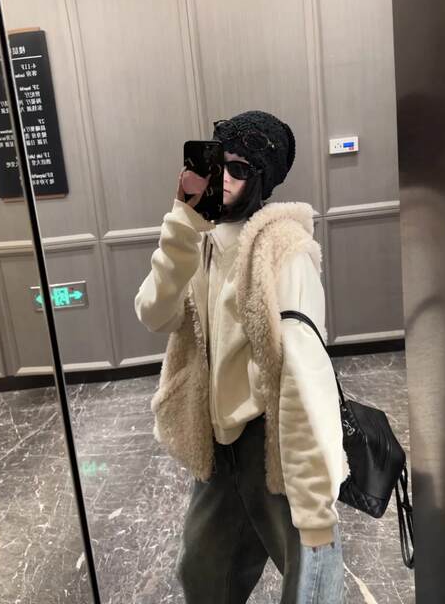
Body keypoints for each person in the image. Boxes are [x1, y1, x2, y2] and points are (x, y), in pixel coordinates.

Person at [134, 110, 349, 603]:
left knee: (309, 581)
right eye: (218, 164)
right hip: (216, 444)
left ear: (262, 180)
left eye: (239, 169)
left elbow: (305, 374)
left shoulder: (285, 250)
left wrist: (315, 501)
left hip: (271, 444)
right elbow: (154, 314)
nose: (224, 178)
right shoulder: (198, 240)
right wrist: (181, 223)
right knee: (203, 575)